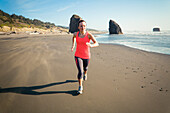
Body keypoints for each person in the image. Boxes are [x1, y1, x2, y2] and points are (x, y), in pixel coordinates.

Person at [71, 20, 99, 94]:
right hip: (78, 55)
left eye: (84, 26)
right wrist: (73, 45)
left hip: (86, 56)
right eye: (81, 26)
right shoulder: (76, 34)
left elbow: (96, 43)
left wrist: (91, 45)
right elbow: (73, 37)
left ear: (86, 27)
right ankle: (80, 86)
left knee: (85, 68)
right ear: (78, 27)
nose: (82, 27)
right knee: (80, 72)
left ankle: (85, 73)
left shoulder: (89, 35)